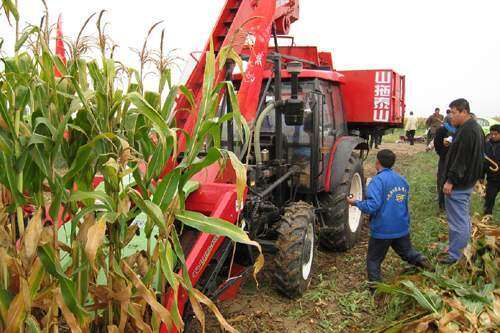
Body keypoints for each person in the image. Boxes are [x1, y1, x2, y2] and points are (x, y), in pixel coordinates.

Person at [347, 149, 432, 285]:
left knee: (373, 260)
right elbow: (402, 203)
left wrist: (355, 202)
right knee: (407, 253)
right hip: (401, 227)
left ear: (377, 162)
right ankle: (424, 262)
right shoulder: (402, 180)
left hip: (382, 230)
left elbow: (372, 206)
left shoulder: (377, 181)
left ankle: (376, 289)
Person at [440, 99, 485, 265]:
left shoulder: (468, 131)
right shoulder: (473, 128)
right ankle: (458, 247)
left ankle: (456, 256)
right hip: (467, 181)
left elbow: (462, 160)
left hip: (459, 183)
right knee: (462, 218)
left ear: (463, 111)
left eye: (453, 112)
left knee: (457, 221)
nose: (450, 115)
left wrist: (451, 180)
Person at [434, 120, 456, 210]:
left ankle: (452, 203)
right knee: (442, 180)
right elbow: (437, 144)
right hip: (444, 159)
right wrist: (443, 154)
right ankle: (442, 204)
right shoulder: (442, 130)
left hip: (456, 160)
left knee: (454, 181)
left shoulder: (462, 130)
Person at [483, 124, 500, 216]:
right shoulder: (487, 144)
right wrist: (481, 176)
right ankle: (487, 216)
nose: (493, 136)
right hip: (492, 178)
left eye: (496, 134)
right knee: (489, 198)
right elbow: (483, 161)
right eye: (491, 134)